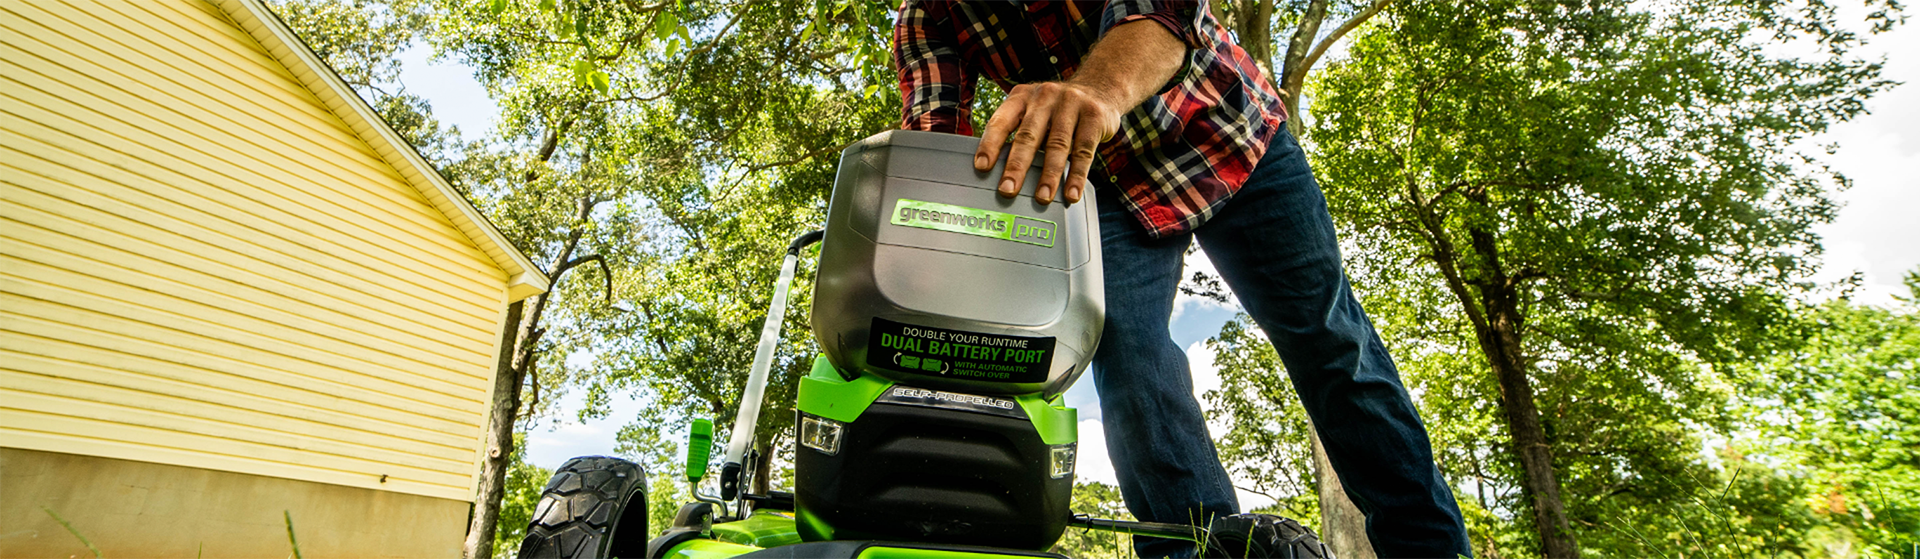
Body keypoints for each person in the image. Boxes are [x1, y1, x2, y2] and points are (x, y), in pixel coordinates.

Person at [891, 1, 1473, 558]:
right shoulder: (928, 15)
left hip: (1226, 130)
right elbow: (934, 147)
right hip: (1101, 191)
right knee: (1129, 364)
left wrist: (1096, 90)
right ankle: (1204, 550)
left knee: (1333, 346)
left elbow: (1164, 16)